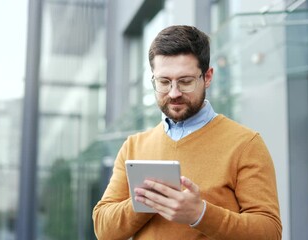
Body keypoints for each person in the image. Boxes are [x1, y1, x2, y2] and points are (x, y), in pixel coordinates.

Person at [92, 25, 282, 240]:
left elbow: (269, 232)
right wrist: (147, 199)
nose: (174, 93)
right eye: (164, 82)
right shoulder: (134, 146)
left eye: (185, 82)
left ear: (207, 77)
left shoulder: (246, 144)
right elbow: (103, 229)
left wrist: (200, 214)